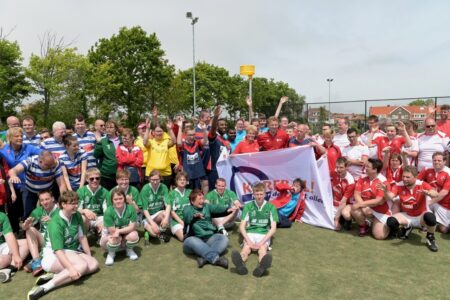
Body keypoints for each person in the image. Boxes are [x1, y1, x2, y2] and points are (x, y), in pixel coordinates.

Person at [27, 191, 99, 299]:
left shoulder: (77, 215)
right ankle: (45, 287)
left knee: (93, 264)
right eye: (72, 203)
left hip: (69, 251)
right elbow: (58, 251)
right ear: (63, 204)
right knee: (82, 266)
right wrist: (70, 269)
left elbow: (82, 237)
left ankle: (57, 275)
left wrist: (88, 255)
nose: (76, 206)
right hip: (51, 256)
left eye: (76, 203)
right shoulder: (55, 222)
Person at [383, 166, 439, 251]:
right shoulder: (399, 185)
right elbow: (389, 197)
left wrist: (429, 193)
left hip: (421, 216)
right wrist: (386, 192)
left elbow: (435, 194)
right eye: (403, 176)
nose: (404, 179)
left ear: (415, 177)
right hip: (407, 215)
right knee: (391, 222)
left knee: (430, 217)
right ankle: (407, 227)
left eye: (408, 177)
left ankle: (430, 237)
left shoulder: (422, 184)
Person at [182, 189, 237, 269]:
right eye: (199, 199)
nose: (202, 201)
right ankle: (215, 259)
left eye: (202, 198)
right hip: (192, 241)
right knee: (192, 241)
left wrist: (227, 210)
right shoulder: (187, 208)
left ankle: (205, 259)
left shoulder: (206, 206)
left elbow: (217, 208)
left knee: (223, 238)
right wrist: (195, 216)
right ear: (192, 201)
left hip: (208, 239)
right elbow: (187, 216)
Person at [231, 182, 277, 277]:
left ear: (265, 194)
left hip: (264, 234)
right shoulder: (248, 206)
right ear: (253, 194)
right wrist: (248, 241)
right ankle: (240, 265)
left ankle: (261, 267)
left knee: (262, 249)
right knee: (246, 248)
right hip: (250, 233)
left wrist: (261, 242)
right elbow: (242, 227)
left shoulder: (271, 207)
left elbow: (273, 229)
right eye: (257, 194)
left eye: (261, 194)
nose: (259, 196)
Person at [0, 127, 41, 232]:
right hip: (11, 185)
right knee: (13, 209)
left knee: (27, 208)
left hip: (26, 184)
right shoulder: (4, 151)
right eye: (16, 136)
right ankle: (15, 232)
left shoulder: (29, 148)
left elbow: (44, 153)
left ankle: (30, 231)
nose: (20, 138)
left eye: (21, 136)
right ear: (10, 138)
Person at [8, 151, 66, 219]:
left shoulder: (55, 164)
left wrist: (63, 200)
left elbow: (61, 184)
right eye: (47, 165)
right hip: (29, 190)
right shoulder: (30, 161)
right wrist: (13, 176)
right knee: (28, 213)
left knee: (50, 210)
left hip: (47, 191)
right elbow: (13, 170)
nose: (50, 167)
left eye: (51, 165)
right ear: (40, 161)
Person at [351, 158, 391, 239]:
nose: (365, 168)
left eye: (368, 166)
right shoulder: (362, 177)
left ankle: (389, 226)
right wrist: (364, 207)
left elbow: (378, 200)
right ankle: (364, 226)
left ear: (375, 170)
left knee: (379, 236)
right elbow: (357, 194)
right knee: (354, 209)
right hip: (366, 207)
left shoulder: (383, 181)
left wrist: (361, 204)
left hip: (381, 211)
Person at [21, 190, 58, 276]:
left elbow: (67, 228)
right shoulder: (38, 211)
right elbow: (24, 226)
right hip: (43, 239)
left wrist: (53, 221)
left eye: (47, 199)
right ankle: (37, 261)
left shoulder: (60, 210)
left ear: (52, 199)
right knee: (30, 229)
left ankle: (39, 259)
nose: (44, 202)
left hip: (56, 239)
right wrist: (25, 226)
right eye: (42, 200)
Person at [101, 189, 139, 265]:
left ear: (124, 199)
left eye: (120, 198)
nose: (118, 201)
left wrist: (119, 231)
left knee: (134, 235)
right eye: (115, 199)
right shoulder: (108, 211)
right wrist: (118, 233)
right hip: (109, 237)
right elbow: (112, 231)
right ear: (112, 201)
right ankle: (111, 254)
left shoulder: (131, 208)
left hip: (123, 235)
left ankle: (129, 250)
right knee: (114, 238)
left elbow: (132, 227)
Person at [417, 152, 450, 233]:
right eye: (434, 160)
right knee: (424, 199)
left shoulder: (448, 172)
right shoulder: (427, 169)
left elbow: (444, 193)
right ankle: (426, 224)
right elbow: (417, 181)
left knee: (444, 230)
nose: (436, 162)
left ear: (444, 162)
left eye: (439, 160)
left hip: (444, 203)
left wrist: (430, 202)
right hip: (430, 198)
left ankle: (436, 221)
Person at [176, 117, 209, 193]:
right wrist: (180, 127)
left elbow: (205, 141)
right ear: (186, 135)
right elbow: (178, 143)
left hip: (197, 174)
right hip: (187, 175)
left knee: (197, 193)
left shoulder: (197, 143)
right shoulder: (183, 145)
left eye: (193, 135)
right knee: (188, 193)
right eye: (190, 135)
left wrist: (204, 130)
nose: (192, 137)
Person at [143, 114, 177, 188]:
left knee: (164, 194)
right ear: (153, 133)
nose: (159, 133)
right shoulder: (151, 142)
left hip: (165, 174)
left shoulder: (166, 141)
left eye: (161, 131)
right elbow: (145, 142)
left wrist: (169, 129)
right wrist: (147, 129)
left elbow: (174, 141)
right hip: (151, 174)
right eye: (157, 131)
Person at [139, 170, 171, 242]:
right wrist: (152, 223)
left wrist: (166, 218)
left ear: (160, 179)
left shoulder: (164, 187)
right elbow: (145, 209)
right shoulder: (145, 189)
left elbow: (168, 204)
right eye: (153, 180)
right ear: (149, 179)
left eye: (157, 179)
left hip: (158, 214)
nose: (155, 182)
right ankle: (150, 230)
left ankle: (161, 231)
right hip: (147, 216)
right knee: (154, 233)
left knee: (166, 214)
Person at [77, 168, 110, 237]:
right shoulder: (81, 191)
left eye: (97, 178)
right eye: (92, 179)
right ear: (87, 179)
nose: (95, 181)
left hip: (99, 217)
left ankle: (99, 233)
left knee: (107, 221)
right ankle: (83, 239)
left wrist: (103, 223)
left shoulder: (105, 192)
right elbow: (76, 209)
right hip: (86, 218)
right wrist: (85, 211)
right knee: (82, 218)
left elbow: (107, 212)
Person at [0, 211, 28, 283]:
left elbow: (9, 235)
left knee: (26, 243)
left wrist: (16, 255)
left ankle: (10, 269)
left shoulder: (2, 216)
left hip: (2, 245)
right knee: (2, 260)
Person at [94, 120, 121, 190]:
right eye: (107, 127)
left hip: (120, 174)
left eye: (111, 127)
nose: (108, 129)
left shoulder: (121, 140)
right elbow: (96, 155)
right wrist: (99, 142)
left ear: (116, 129)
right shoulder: (103, 141)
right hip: (106, 175)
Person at [331, 158, 355, 231]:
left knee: (346, 215)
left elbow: (343, 201)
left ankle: (347, 221)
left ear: (346, 167)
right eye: (337, 167)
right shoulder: (333, 172)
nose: (338, 169)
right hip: (334, 203)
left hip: (345, 204)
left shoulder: (350, 181)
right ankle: (340, 218)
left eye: (341, 167)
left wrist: (336, 219)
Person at [166, 171, 192, 241]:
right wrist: (182, 222)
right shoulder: (172, 194)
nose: (182, 181)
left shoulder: (190, 192)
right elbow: (172, 212)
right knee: (184, 238)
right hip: (177, 221)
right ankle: (174, 231)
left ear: (187, 181)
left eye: (184, 180)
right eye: (180, 180)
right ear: (176, 181)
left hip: (189, 220)